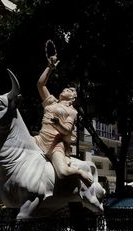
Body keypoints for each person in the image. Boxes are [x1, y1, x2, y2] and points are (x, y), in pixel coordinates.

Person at [34, 55, 92, 187]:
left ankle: (79, 172)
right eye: (65, 88)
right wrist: (49, 68)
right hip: (39, 138)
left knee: (62, 173)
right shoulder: (51, 102)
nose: (64, 89)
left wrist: (57, 123)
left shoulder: (72, 112)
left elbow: (66, 130)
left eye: (68, 90)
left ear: (72, 98)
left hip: (55, 144)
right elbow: (40, 84)